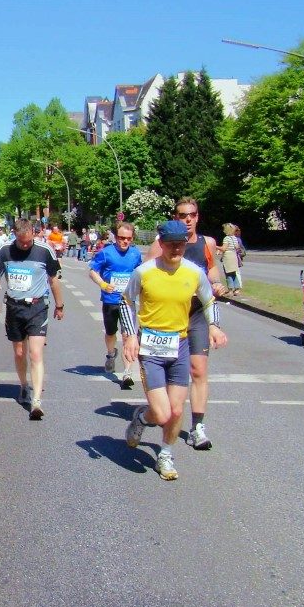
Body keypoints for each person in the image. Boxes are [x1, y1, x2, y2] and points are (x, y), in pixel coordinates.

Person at [121, 221, 227, 480]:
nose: (176, 248)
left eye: (181, 244)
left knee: (177, 411)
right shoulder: (144, 272)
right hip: (151, 347)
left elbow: (209, 300)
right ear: (162, 244)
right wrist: (130, 336)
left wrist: (214, 326)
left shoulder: (193, 272)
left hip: (179, 345)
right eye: (171, 244)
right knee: (161, 412)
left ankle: (165, 455)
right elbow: (126, 302)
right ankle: (142, 419)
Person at [145, 196, 226, 451]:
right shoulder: (162, 244)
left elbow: (212, 272)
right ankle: (164, 412)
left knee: (199, 369)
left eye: (192, 215)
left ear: (198, 217)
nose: (188, 219)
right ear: (175, 217)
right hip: (168, 319)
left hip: (197, 314)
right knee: (171, 375)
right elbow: (146, 274)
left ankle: (197, 427)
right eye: (182, 215)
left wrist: (216, 284)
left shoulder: (207, 243)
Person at [0, 218, 65, 419]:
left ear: (33, 233)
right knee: (20, 352)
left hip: (37, 306)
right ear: (15, 234)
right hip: (14, 307)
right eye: (21, 241)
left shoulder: (44, 250)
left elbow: (53, 279)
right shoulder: (5, 250)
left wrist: (59, 305)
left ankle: (37, 401)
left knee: (35, 353)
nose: (25, 245)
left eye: (28, 241)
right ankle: (24, 385)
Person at [88, 221, 142, 389]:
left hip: (128, 301)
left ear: (132, 238)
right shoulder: (106, 253)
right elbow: (92, 271)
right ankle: (111, 354)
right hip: (110, 300)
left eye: (128, 238)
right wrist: (103, 285)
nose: (124, 241)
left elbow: (141, 274)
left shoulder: (135, 254)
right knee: (111, 333)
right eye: (121, 238)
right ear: (115, 237)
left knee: (128, 336)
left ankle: (127, 372)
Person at [218, 223, 243, 296]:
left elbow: (223, 248)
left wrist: (215, 246)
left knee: (228, 274)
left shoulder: (226, 238)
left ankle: (230, 290)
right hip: (234, 255)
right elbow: (237, 247)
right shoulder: (234, 238)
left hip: (228, 256)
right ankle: (237, 289)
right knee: (234, 273)